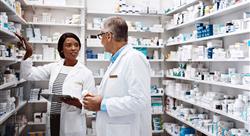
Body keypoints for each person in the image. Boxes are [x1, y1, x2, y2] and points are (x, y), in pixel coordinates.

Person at [83, 16, 152, 136]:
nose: (101, 40)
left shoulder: (134, 58)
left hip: (129, 131)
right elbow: (118, 91)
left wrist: (102, 104)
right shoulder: (116, 60)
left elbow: (139, 100)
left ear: (108, 36)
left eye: (101, 35)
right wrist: (97, 97)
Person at [16, 32, 95, 136]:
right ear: (61, 49)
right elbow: (28, 75)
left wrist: (77, 103)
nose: (73, 48)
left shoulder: (86, 73)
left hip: (72, 125)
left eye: (76, 45)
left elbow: (92, 105)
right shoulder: (54, 67)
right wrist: (28, 54)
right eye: (68, 45)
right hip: (53, 121)